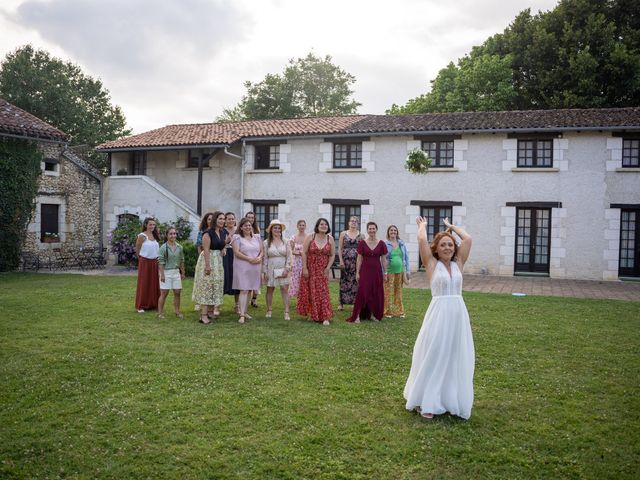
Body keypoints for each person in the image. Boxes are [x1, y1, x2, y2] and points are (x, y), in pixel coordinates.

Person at [403, 216, 474, 420]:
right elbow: (422, 241)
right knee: (434, 354)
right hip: (439, 313)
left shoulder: (459, 263)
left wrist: (451, 228)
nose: (447, 248)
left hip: (458, 313)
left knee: (454, 355)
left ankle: (448, 398)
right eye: (443, 245)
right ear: (437, 248)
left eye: (450, 245)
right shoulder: (432, 264)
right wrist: (422, 226)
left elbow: (467, 239)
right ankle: (427, 399)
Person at [297, 218, 335, 326]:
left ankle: (325, 316)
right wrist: (304, 268)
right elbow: (304, 252)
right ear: (317, 226)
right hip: (310, 268)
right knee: (311, 291)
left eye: (326, 224)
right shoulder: (311, 236)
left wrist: (328, 268)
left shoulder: (330, 238)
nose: (324, 226)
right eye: (321, 224)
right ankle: (313, 313)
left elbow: (332, 255)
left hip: (323, 269)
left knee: (323, 292)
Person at [347, 222, 388, 323]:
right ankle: (357, 315)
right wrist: (357, 272)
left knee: (376, 293)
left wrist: (385, 273)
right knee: (363, 292)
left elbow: (384, 259)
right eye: (370, 229)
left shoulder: (382, 243)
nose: (372, 230)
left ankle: (374, 314)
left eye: (373, 228)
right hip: (365, 271)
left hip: (377, 272)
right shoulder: (362, 243)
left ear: (376, 229)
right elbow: (359, 259)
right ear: (367, 230)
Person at [192, 211, 226, 324]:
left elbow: (221, 245)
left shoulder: (221, 232)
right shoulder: (208, 232)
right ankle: (203, 315)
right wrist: (207, 265)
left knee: (214, 285)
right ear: (215, 220)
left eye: (223, 219)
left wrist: (224, 247)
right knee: (206, 286)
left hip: (218, 262)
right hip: (208, 260)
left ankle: (211, 311)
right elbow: (205, 249)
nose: (222, 221)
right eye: (220, 219)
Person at [231, 217, 264, 324]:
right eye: (245, 225)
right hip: (242, 266)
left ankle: (245, 312)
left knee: (250, 289)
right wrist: (249, 258)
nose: (248, 227)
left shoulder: (257, 237)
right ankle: (241, 314)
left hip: (255, 266)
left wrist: (259, 258)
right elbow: (236, 252)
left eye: (249, 225)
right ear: (241, 227)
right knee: (244, 289)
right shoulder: (237, 238)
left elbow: (262, 251)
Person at [262, 219, 293, 320]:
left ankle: (287, 312)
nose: (277, 229)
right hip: (271, 267)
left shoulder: (286, 241)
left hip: (283, 267)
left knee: (284, 289)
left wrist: (287, 268)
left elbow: (289, 256)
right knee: (270, 289)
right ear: (271, 229)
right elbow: (265, 258)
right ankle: (269, 310)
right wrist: (265, 271)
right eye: (275, 228)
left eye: (279, 228)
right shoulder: (266, 243)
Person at [157, 226, 186, 319]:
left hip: (176, 272)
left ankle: (177, 312)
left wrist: (183, 272)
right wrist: (162, 274)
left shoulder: (179, 247)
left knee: (177, 292)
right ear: (167, 235)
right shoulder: (163, 247)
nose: (173, 235)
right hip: (166, 272)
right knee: (164, 293)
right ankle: (160, 313)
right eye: (171, 234)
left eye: (174, 233)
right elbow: (160, 262)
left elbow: (182, 260)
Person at [384, 225, 410, 318]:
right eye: (391, 230)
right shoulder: (385, 244)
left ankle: (400, 311)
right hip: (389, 271)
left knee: (398, 291)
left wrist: (408, 271)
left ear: (397, 232)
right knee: (388, 291)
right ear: (388, 232)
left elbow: (406, 257)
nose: (393, 232)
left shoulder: (401, 244)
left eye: (395, 230)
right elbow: (383, 259)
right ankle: (387, 312)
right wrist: (384, 272)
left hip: (400, 271)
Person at [135, 217, 160, 313]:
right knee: (144, 283)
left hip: (154, 262)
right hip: (145, 262)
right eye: (150, 224)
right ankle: (140, 306)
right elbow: (137, 250)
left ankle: (153, 304)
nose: (152, 226)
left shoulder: (155, 235)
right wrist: (141, 260)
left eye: (154, 224)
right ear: (146, 225)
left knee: (154, 283)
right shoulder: (142, 236)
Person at [338, 216, 363, 311]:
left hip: (356, 262)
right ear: (348, 223)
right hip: (345, 261)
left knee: (355, 282)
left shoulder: (361, 235)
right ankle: (341, 303)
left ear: (358, 223)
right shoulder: (343, 234)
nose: (353, 223)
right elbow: (340, 248)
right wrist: (340, 260)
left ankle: (354, 302)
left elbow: (362, 251)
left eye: (355, 221)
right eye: (352, 221)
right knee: (343, 281)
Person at [223, 212, 239, 313]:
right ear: (225, 220)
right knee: (224, 277)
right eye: (229, 219)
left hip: (236, 255)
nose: (231, 221)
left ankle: (237, 305)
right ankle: (217, 304)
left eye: (233, 219)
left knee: (237, 278)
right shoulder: (221, 230)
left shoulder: (238, 230)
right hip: (225, 255)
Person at [288, 219, 307, 299]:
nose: (302, 227)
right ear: (297, 226)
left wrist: (303, 254)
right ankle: (297, 296)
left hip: (305, 261)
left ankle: (304, 296)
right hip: (296, 261)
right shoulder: (293, 237)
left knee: (304, 278)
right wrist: (298, 253)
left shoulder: (308, 237)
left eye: (303, 225)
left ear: (305, 226)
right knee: (296, 279)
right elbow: (290, 250)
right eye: (300, 225)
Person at [245, 210, 261, 308]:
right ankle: (244, 300)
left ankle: (254, 299)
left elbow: (259, 243)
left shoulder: (256, 229)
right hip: (247, 256)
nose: (250, 219)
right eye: (248, 217)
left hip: (256, 255)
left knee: (256, 279)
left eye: (252, 218)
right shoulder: (243, 229)